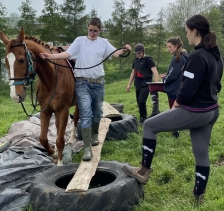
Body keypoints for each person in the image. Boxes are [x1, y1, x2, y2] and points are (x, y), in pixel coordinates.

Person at [122, 14, 223, 203]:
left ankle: (143, 171)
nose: (186, 36)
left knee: (150, 125)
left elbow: (186, 91)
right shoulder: (215, 56)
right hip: (212, 111)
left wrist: (175, 107)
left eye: (187, 32)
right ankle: (198, 196)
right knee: (201, 152)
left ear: (195, 31)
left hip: (196, 111)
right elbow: (217, 86)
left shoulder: (197, 57)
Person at [39, 17, 131, 161]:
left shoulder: (104, 43)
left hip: (98, 83)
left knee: (96, 113)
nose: (92, 33)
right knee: (86, 114)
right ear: (87, 29)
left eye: (95, 31)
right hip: (82, 83)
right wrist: (50, 56)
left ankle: (94, 134)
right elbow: (67, 54)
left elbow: (116, 54)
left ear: (100, 30)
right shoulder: (80, 41)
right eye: (90, 30)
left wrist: (124, 50)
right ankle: (87, 148)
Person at [148, 37, 188, 138]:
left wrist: (165, 78)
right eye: (167, 47)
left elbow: (172, 74)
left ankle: (176, 130)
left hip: (174, 88)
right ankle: (156, 111)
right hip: (179, 87)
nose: (168, 49)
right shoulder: (183, 56)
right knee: (175, 109)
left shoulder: (178, 58)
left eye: (170, 47)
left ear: (176, 46)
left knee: (173, 110)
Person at [126, 43, 159, 124]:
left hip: (146, 83)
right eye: (137, 53)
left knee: (141, 101)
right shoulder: (136, 61)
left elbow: (155, 72)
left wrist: (156, 84)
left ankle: (144, 118)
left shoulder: (148, 60)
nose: (138, 55)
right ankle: (142, 116)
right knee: (138, 101)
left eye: (140, 53)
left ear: (143, 51)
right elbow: (133, 73)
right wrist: (129, 84)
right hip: (137, 83)